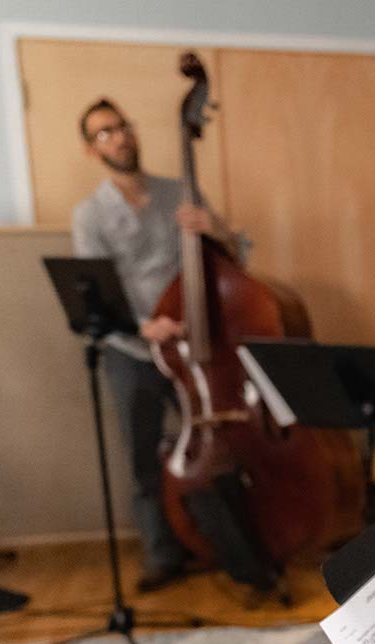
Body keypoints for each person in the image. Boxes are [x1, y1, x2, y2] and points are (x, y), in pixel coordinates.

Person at [71, 98, 241, 592]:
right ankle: (162, 555)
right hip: (133, 350)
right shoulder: (90, 215)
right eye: (105, 132)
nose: (120, 136)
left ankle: (227, 544)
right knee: (143, 457)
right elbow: (98, 293)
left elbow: (234, 257)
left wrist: (217, 229)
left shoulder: (181, 192)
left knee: (216, 445)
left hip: (195, 347)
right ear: (91, 149)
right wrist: (145, 326)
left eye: (123, 125)